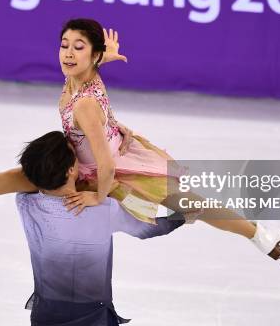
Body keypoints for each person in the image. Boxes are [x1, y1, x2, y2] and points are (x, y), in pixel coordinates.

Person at [0, 18, 280, 266]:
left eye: (79, 48)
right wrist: (104, 57)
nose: (67, 53)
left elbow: (105, 163)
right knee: (16, 177)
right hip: (92, 154)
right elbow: (89, 76)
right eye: (64, 45)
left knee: (191, 203)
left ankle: (257, 235)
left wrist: (98, 195)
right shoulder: (81, 75)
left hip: (107, 167)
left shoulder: (83, 107)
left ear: (91, 55)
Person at [16, 131, 185, 325]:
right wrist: (181, 216)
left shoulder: (26, 204)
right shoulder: (105, 210)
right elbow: (150, 228)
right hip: (93, 317)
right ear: (71, 170)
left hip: (45, 314)